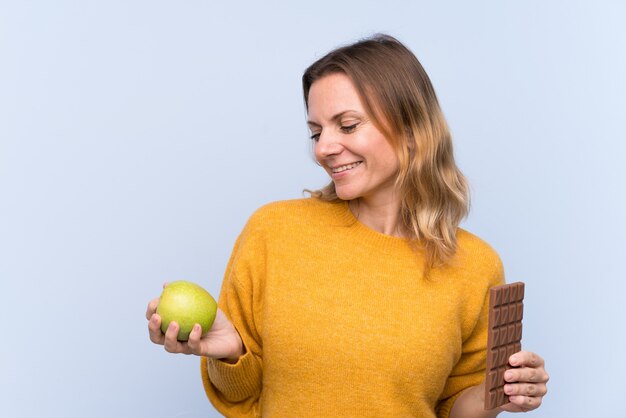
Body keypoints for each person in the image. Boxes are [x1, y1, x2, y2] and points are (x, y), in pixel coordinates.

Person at [146, 34, 549, 417]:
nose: (323, 148)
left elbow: (452, 408)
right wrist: (229, 352)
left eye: (348, 125)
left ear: (411, 129)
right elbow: (242, 397)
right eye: (317, 131)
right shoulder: (274, 231)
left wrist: (498, 395)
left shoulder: (476, 265)